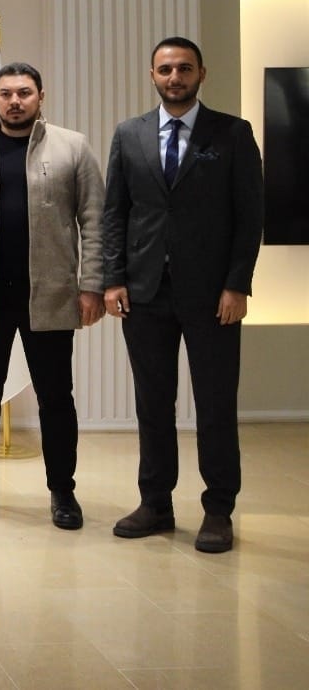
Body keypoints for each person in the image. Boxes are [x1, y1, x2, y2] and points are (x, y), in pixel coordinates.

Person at [104, 37, 263, 553]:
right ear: (152, 75)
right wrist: (113, 278)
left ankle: (218, 509)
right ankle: (155, 503)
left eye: (185, 68)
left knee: (215, 404)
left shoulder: (233, 133)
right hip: (145, 292)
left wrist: (237, 284)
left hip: (213, 295)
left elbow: (250, 216)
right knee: (153, 403)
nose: (175, 77)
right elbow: (115, 213)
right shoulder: (129, 134)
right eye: (166, 69)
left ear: (201, 74)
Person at [0, 62, 105, 529]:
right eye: (6, 93)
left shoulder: (73, 147)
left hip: (49, 294)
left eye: (24, 93)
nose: (15, 101)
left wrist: (91, 284)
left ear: (40, 97)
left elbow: (95, 221)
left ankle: (63, 491)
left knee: (56, 397)